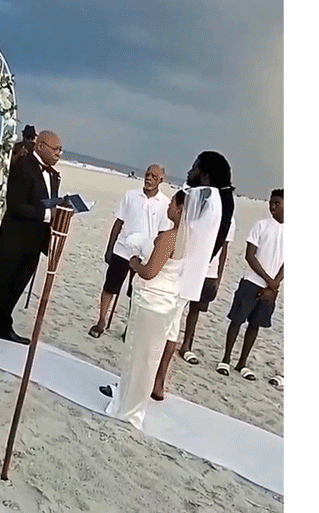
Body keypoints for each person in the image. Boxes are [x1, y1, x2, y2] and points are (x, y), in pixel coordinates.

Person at [150, 150, 235, 400]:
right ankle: (159, 381)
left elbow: (185, 237)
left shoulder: (203, 199)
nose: (189, 171)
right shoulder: (223, 203)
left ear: (205, 174)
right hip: (193, 276)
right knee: (172, 327)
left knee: (161, 328)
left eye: (194, 166)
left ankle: (151, 379)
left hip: (178, 272)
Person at [102, 190, 186, 429]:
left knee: (139, 356)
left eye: (172, 203)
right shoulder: (191, 238)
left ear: (179, 210)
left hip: (152, 299)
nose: (168, 206)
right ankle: (133, 402)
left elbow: (150, 272)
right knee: (149, 356)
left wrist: (135, 263)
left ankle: (129, 406)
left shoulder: (170, 237)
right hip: (167, 299)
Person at [0, 130, 64, 352]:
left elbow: (44, 202)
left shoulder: (53, 175)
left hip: (35, 240)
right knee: (0, 283)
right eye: (55, 149)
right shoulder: (23, 166)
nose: (59, 154)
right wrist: (47, 214)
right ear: (40, 146)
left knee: (18, 285)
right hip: (15, 237)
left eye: (61, 150)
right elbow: (16, 205)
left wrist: (60, 206)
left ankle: (3, 326)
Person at [88, 164, 171, 339]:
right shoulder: (130, 195)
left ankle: (130, 328)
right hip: (123, 249)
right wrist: (110, 248)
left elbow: (163, 233)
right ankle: (102, 320)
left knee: (137, 293)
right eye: (147, 174)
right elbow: (118, 222)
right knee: (110, 286)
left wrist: (155, 257)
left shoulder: (165, 204)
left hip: (145, 255)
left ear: (161, 180)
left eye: (154, 176)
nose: (149, 178)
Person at [216, 189, 283, 380]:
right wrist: (269, 280)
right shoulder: (261, 226)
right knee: (237, 320)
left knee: (255, 325)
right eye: (271, 203)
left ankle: (242, 362)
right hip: (251, 282)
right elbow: (250, 255)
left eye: (277, 203)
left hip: (270, 289)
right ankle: (226, 359)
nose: (273, 207)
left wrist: (274, 285)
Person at [177, 214, 236, 365]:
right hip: (190, 266)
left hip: (209, 271)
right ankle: (168, 338)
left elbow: (224, 250)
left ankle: (186, 345)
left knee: (195, 310)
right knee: (177, 304)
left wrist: (218, 276)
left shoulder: (229, 219)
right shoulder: (202, 211)